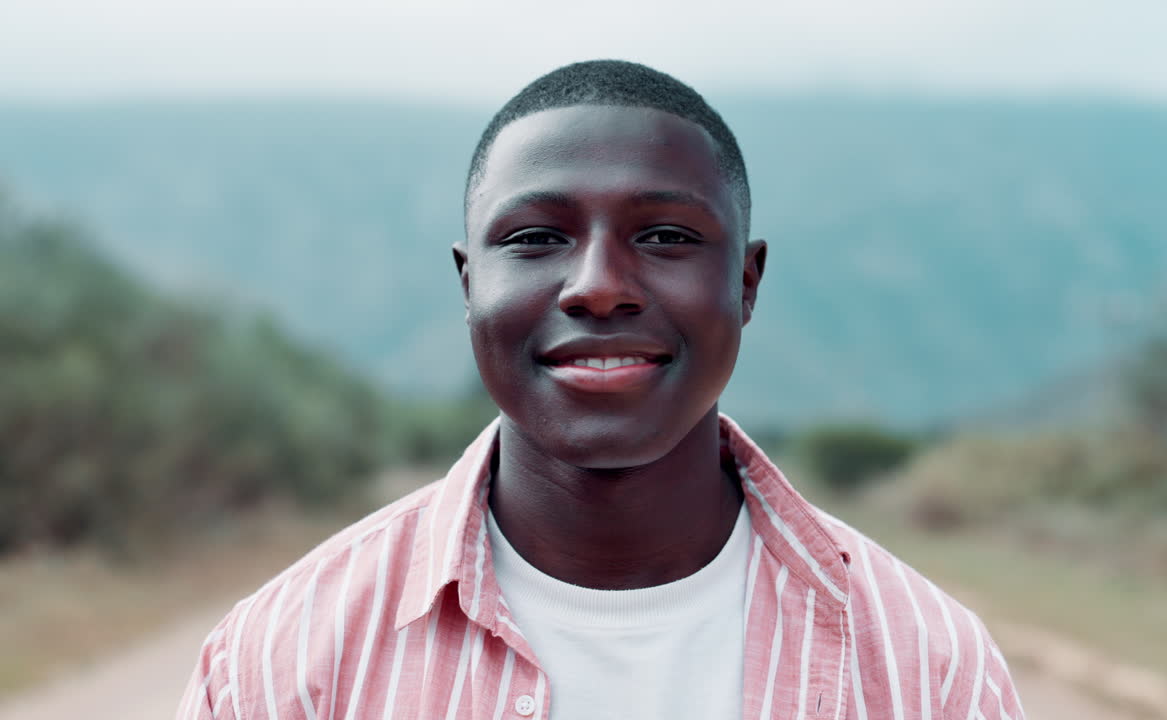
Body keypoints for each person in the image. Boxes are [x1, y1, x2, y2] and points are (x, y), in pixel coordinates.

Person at [176, 59, 1024, 720]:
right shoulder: (277, 665)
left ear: (747, 282)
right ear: (469, 285)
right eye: (536, 237)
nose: (598, 287)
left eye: (665, 236)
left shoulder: (930, 668)